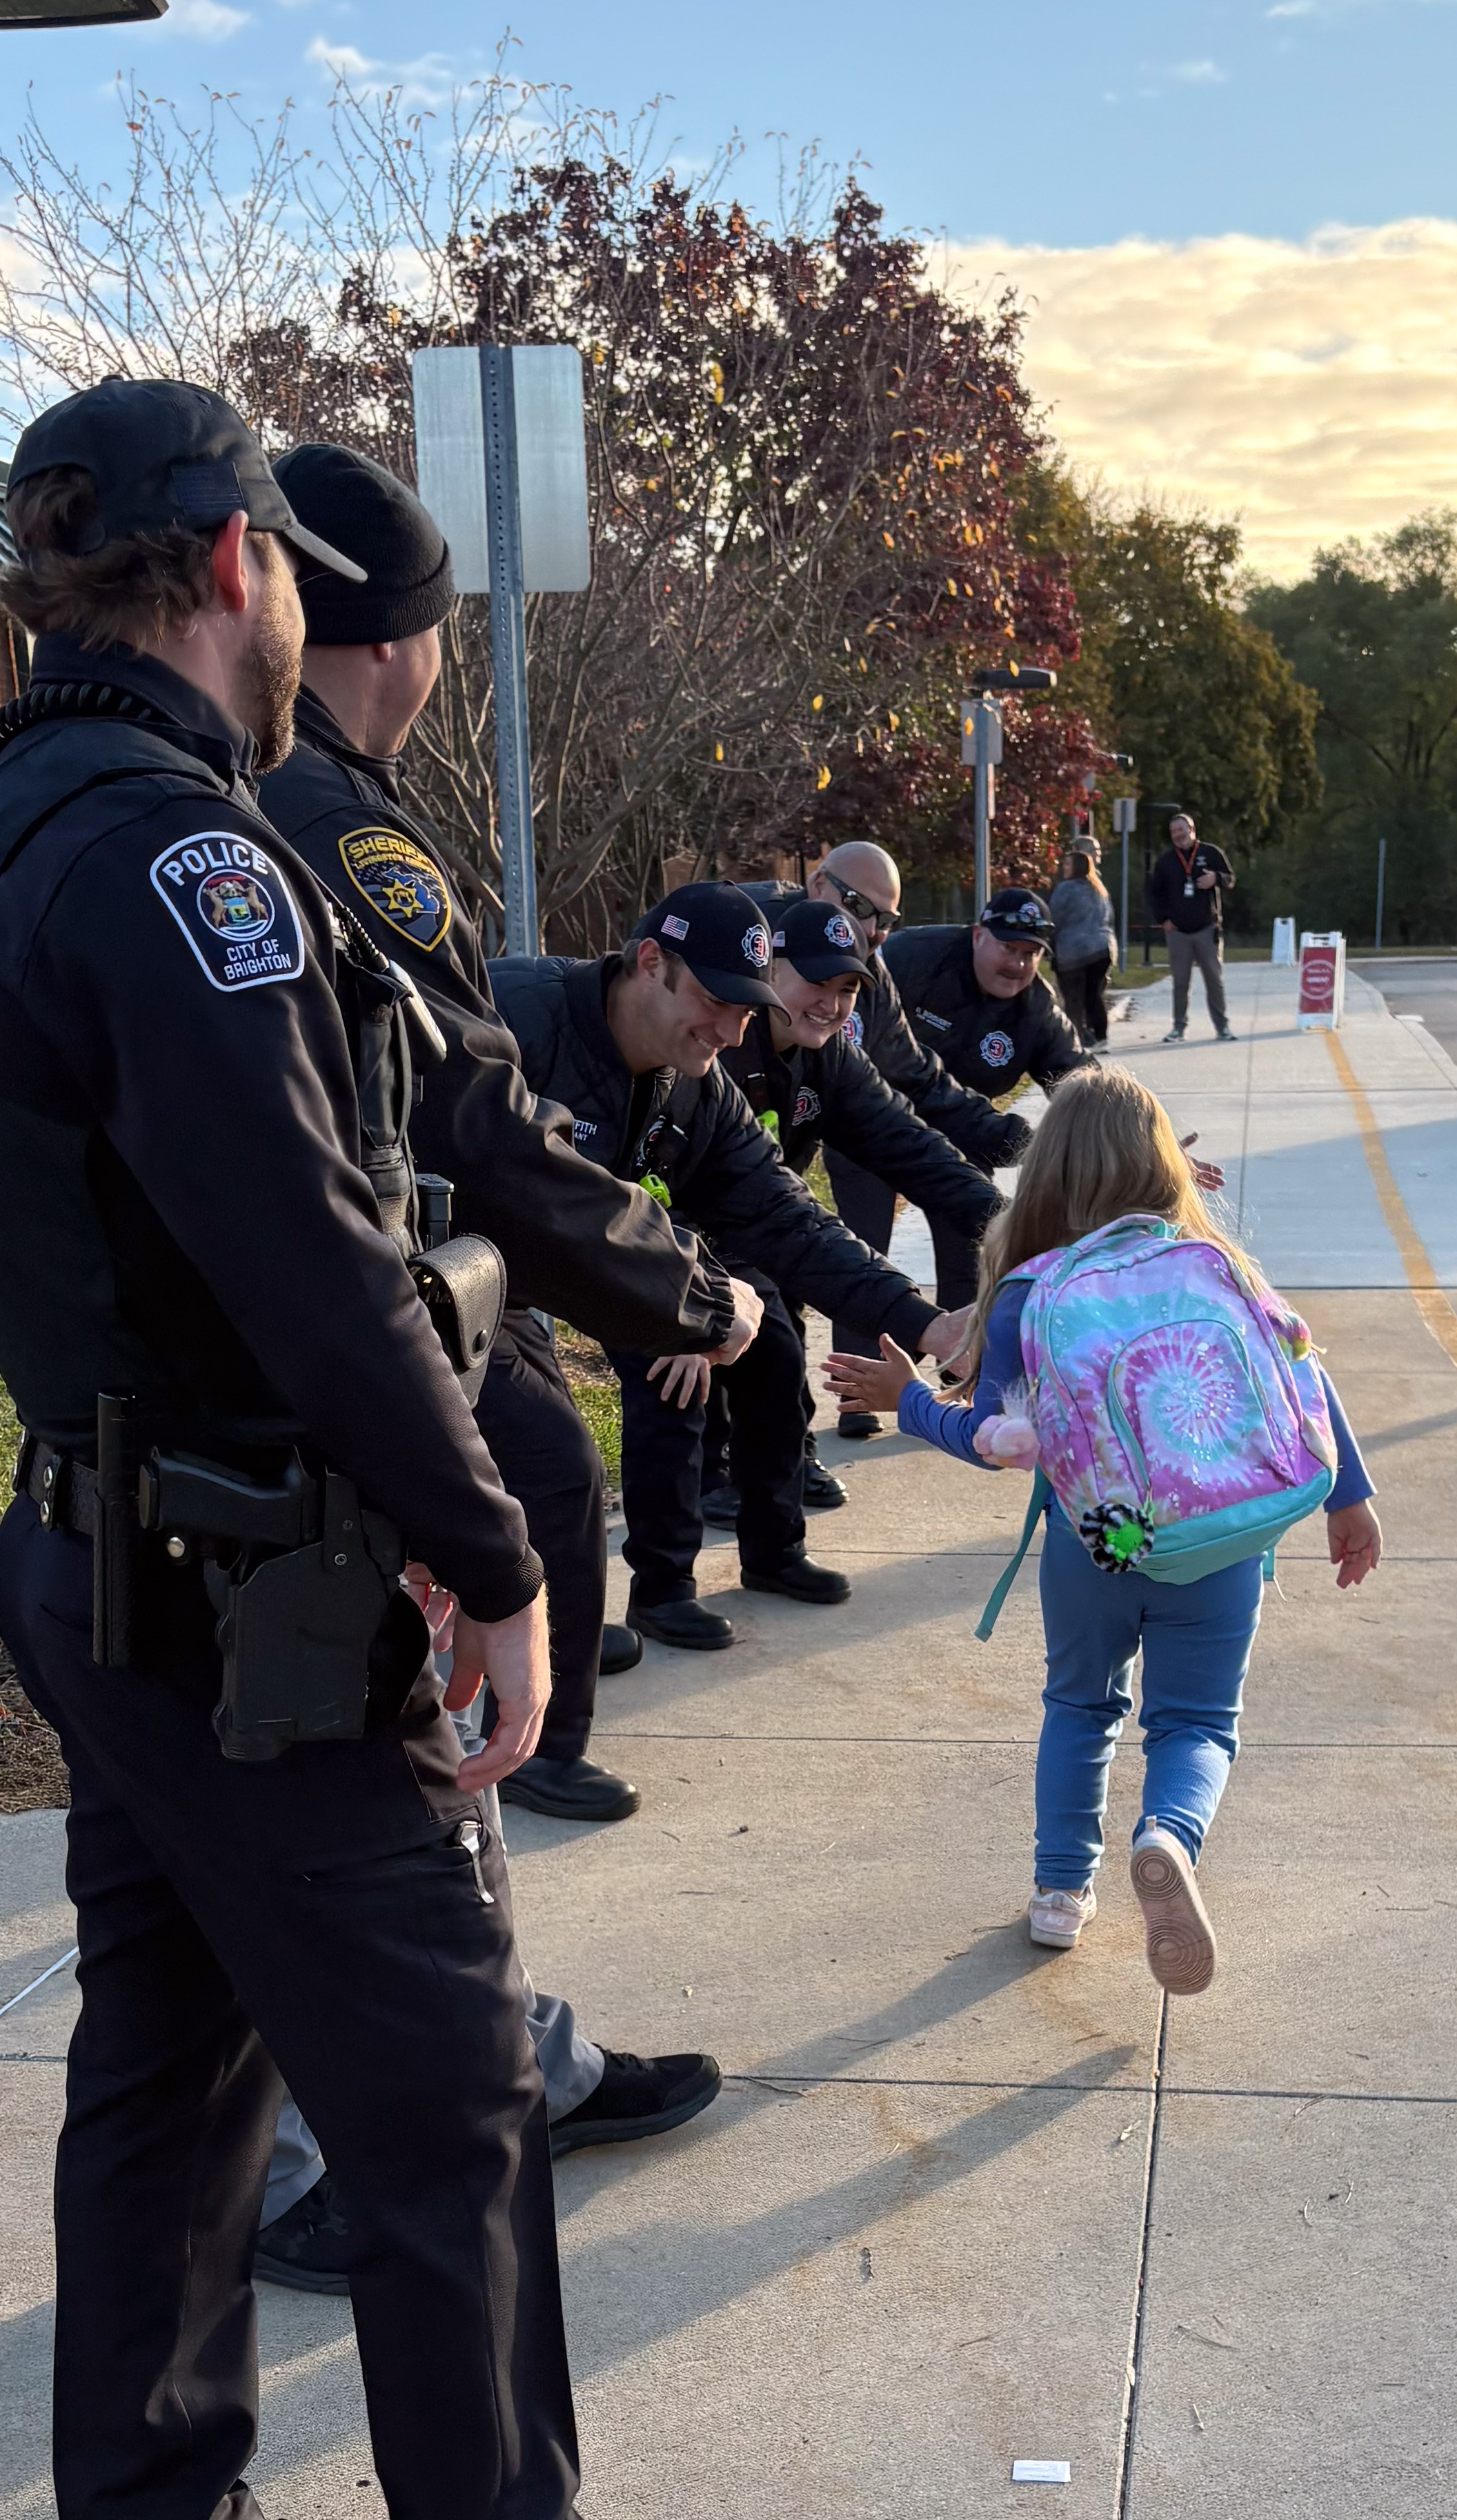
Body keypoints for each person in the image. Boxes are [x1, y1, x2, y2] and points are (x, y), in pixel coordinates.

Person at [0, 375, 726, 2520]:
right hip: (257, 1587)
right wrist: (504, 1560)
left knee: (169, 2055)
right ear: (240, 566)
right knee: (445, 2083)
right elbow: (324, 1270)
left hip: (100, 1552)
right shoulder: (184, 863)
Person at [259, 444, 759, 1823]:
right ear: (405, 640)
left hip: (214, 1354)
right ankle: (511, 1763)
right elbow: (477, 1124)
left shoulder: (212, 789)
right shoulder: (339, 828)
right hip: (364, 1301)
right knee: (531, 1481)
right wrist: (692, 1301)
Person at [825, 1069, 1380, 1992]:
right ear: (1164, 1165)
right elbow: (1304, 1380)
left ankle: (1058, 1894)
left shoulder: (1028, 1293)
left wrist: (911, 1405)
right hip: (1220, 1539)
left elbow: (999, 1442)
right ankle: (1168, 1834)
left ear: (1048, 1174)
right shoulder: (1221, 1266)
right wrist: (1347, 1497)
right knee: (1196, 1721)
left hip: (1099, 1542)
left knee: (1081, 1707)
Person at [492, 887, 969, 1649]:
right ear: (651, 964)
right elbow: (532, 1196)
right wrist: (696, 1304)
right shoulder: (516, 1014)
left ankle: (566, 1638)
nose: (728, 1029)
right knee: (551, 1458)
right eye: (714, 1000)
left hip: (564, 1271)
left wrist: (931, 1323)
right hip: (411, 1260)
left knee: (739, 1365)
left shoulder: (700, 1084)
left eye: (745, 1010)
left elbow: (791, 1219)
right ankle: (572, 1644)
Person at [742, 842, 1033, 1445]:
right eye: (857, 906)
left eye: (885, 921)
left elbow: (911, 1124)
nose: (871, 930)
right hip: (680, 1208)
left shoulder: (848, 1028)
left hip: (770, 1190)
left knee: (779, 1327)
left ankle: (781, 1461)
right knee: (749, 1332)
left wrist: (1022, 1228)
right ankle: (735, 1465)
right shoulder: (724, 1012)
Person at [881, 886, 1091, 1116]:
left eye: (1030, 954)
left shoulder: (1038, 1010)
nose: (1017, 964)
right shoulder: (909, 956)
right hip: (878, 1116)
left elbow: (1079, 1080)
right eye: (1008, 948)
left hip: (962, 1128)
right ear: (978, 936)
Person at [1147, 811, 1235, 1045]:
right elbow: (1155, 894)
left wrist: (1215, 878)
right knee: (1181, 982)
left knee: (1214, 979)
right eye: (1173, 831)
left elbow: (1231, 879)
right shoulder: (1166, 861)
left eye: (1181, 829)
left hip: (1207, 927)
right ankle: (1178, 1028)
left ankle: (1222, 1026)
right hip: (1178, 931)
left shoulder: (1210, 853)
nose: (1178, 835)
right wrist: (1163, 920)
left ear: (1192, 829)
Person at [1047, 846, 1116, 1046]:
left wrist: (1049, 943)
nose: (1064, 867)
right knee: (1093, 995)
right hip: (1102, 949)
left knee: (1073, 998)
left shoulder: (1065, 889)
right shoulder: (1099, 889)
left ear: (1077, 867)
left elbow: (1054, 918)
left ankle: (1076, 1039)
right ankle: (1101, 1036)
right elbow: (1109, 918)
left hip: (1073, 952)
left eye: (1068, 864)